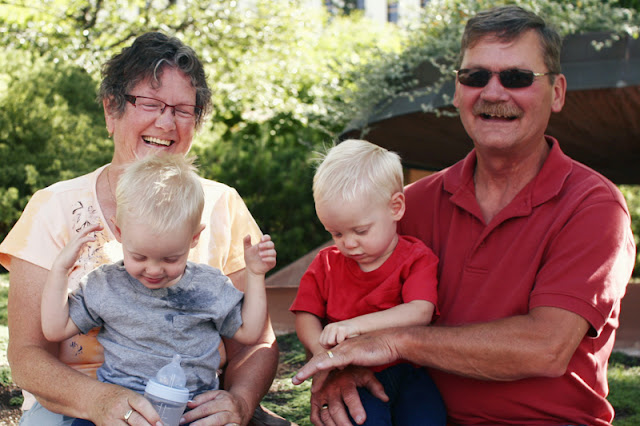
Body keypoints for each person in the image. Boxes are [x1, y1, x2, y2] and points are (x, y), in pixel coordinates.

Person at [292, 5, 636, 426]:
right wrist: (341, 368)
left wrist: (396, 342)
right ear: (457, 91)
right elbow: (331, 297)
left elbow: (546, 347)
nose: (493, 93)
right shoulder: (409, 205)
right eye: (475, 76)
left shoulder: (592, 206)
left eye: (517, 77)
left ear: (558, 92)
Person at [0, 32, 281, 426]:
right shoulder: (54, 208)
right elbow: (27, 355)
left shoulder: (222, 205)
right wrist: (98, 401)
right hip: (75, 406)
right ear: (110, 110)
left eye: (183, 110)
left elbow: (255, 343)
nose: (165, 122)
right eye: (149, 103)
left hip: (188, 406)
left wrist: (239, 401)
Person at [40, 154, 276, 426]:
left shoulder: (209, 286)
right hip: (119, 410)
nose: (153, 270)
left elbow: (250, 332)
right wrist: (60, 271)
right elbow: (55, 329)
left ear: (194, 238)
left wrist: (255, 275)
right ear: (119, 232)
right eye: (139, 257)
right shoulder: (106, 285)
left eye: (170, 259)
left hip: (193, 410)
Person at [290, 139, 446, 425]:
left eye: (360, 230)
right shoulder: (326, 263)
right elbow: (305, 314)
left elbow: (419, 311)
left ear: (396, 207)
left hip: (409, 369)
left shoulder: (416, 258)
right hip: (351, 373)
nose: (348, 243)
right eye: (336, 233)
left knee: (429, 417)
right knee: (363, 420)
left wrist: (354, 326)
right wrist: (324, 355)